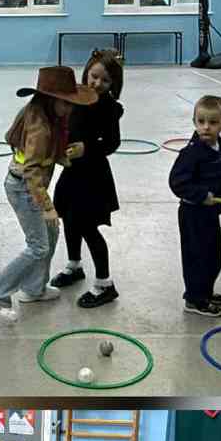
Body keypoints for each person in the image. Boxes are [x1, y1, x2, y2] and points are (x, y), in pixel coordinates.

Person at [0, 67, 97, 322]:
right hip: (24, 188)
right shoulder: (41, 127)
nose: (71, 108)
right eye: (67, 103)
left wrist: (63, 154)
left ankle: (34, 289)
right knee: (38, 246)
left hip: (27, 184)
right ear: (51, 99)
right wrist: (47, 207)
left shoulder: (39, 111)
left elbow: (25, 146)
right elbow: (31, 170)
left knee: (51, 233)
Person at [51, 48, 124, 308]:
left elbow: (112, 142)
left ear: (113, 84)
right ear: (86, 73)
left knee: (88, 227)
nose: (97, 83)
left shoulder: (110, 108)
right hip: (72, 171)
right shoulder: (75, 97)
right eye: (94, 76)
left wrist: (87, 148)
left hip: (93, 177)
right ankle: (74, 266)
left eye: (105, 80)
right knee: (70, 220)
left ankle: (105, 284)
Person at [168, 95, 221, 317]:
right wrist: (201, 195)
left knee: (213, 255)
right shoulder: (191, 153)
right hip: (193, 213)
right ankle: (194, 299)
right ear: (194, 122)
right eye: (201, 121)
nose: (206, 127)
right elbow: (176, 182)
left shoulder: (220, 149)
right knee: (196, 256)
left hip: (210, 213)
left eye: (213, 122)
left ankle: (205, 291)